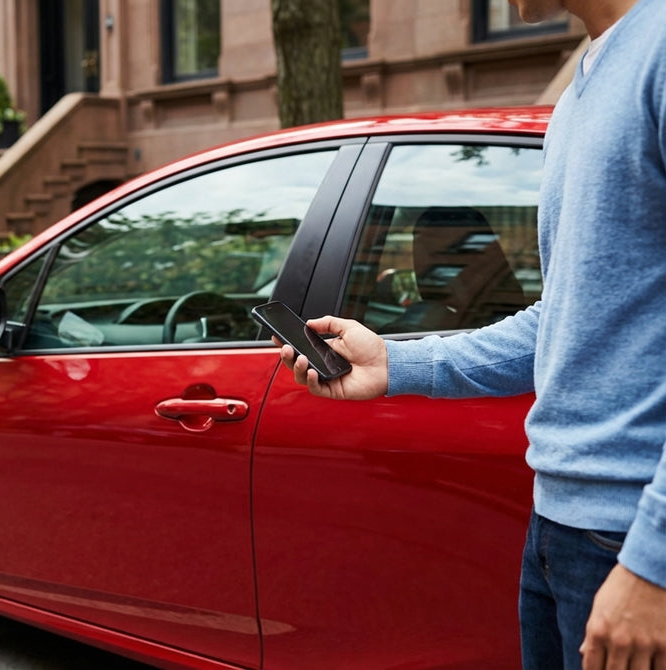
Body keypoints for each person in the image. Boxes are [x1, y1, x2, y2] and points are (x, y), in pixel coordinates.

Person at [278, 1, 666, 668]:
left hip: (629, 536)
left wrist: (655, 562)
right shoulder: (586, 84)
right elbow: (563, 317)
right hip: (560, 529)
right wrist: (397, 363)